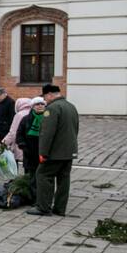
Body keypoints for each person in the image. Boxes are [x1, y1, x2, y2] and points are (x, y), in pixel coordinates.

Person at [28, 84, 79, 217]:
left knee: (43, 175)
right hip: (69, 150)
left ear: (49, 94)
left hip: (55, 152)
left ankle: (43, 207)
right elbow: (75, 128)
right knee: (64, 179)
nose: (45, 100)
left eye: (45, 97)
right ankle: (60, 208)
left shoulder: (52, 108)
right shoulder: (71, 106)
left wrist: (43, 153)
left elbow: (46, 133)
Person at [16, 97, 45, 194]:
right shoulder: (26, 119)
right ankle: (33, 196)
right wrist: (23, 145)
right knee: (31, 177)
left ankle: (43, 196)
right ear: (32, 107)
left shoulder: (48, 118)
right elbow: (19, 134)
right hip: (30, 153)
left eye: (42, 104)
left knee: (44, 177)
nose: (40, 106)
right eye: (37, 104)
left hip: (44, 152)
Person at [3, 96, 35, 161]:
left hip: (21, 143)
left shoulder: (19, 115)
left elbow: (13, 132)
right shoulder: (34, 113)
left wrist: (4, 142)